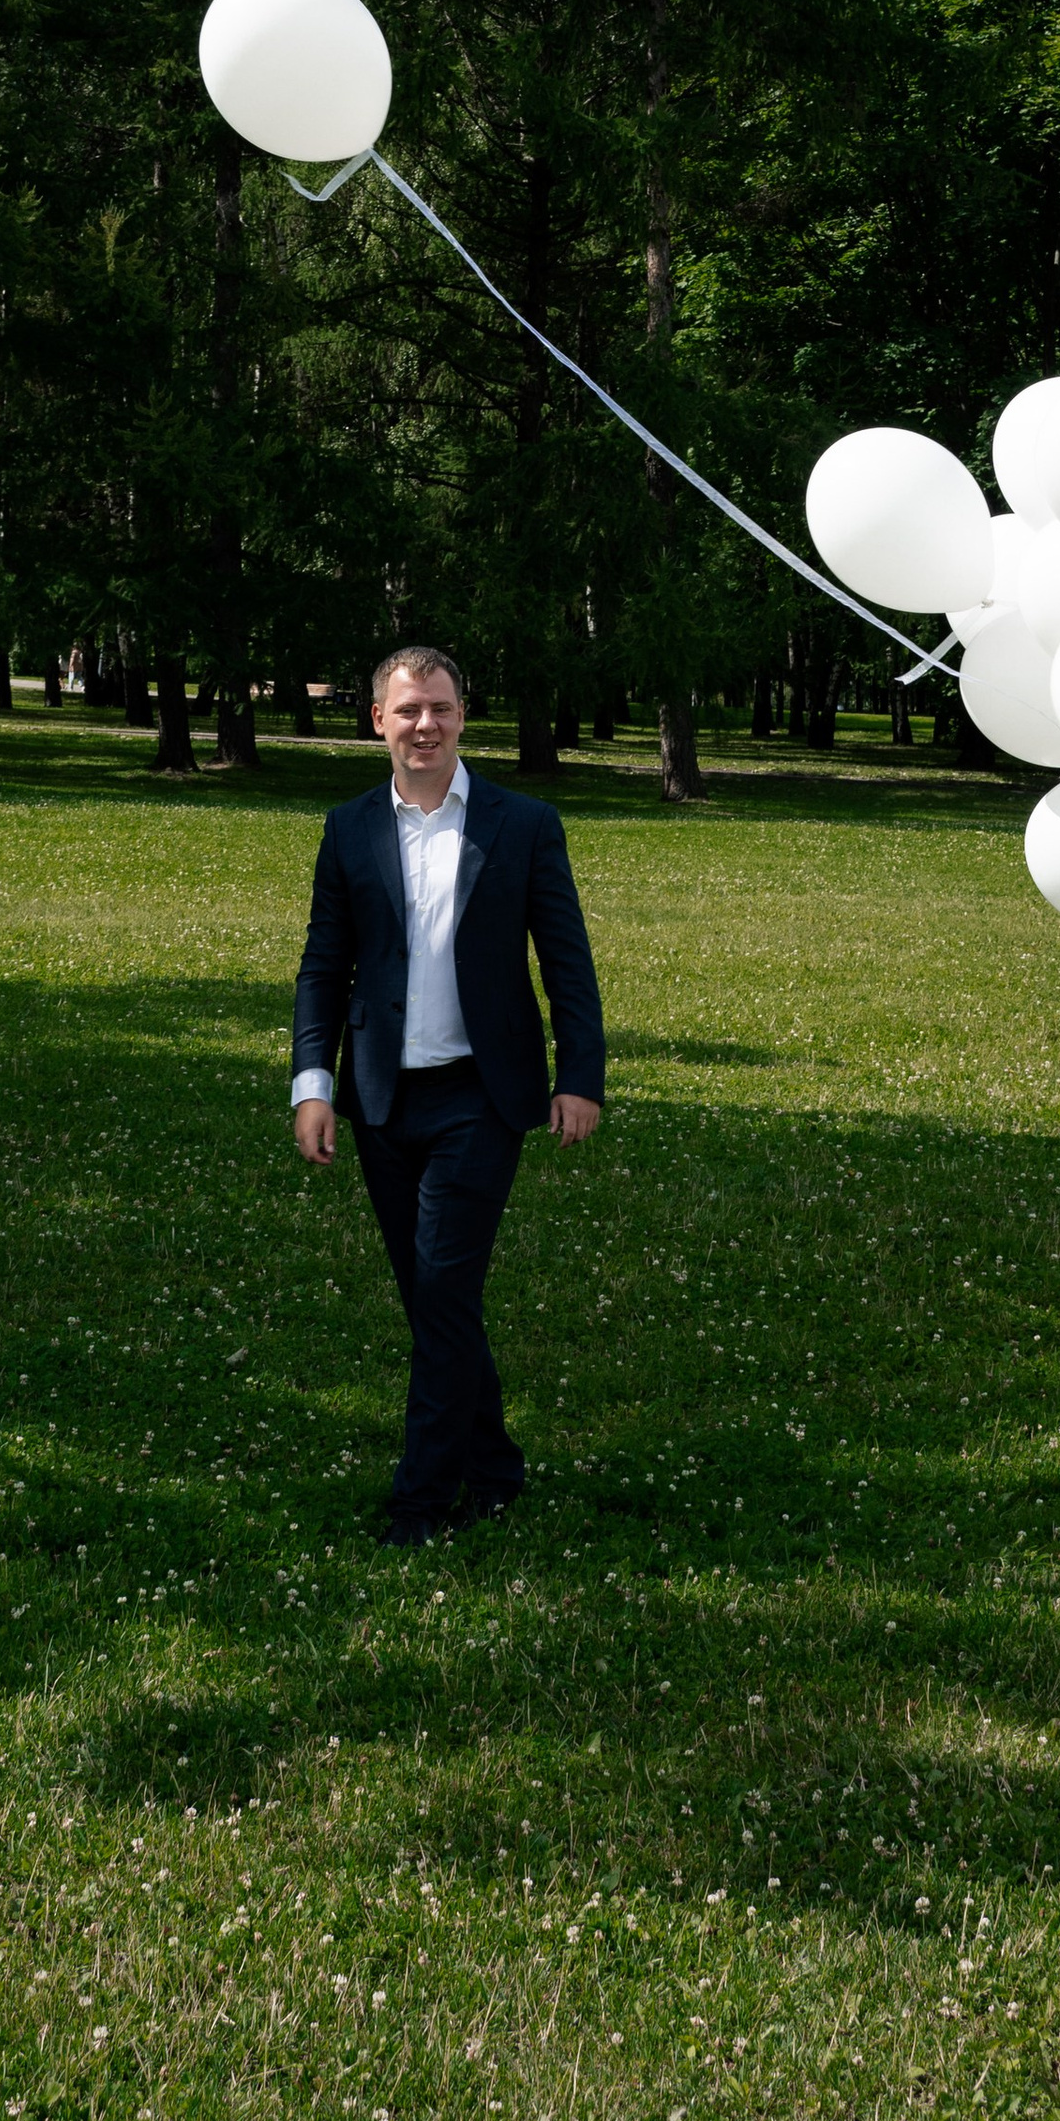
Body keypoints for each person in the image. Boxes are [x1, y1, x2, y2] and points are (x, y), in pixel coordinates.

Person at [291, 644, 605, 1545]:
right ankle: (497, 1470)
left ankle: (420, 1504)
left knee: (441, 1290)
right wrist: (313, 1083)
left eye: (440, 708)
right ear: (377, 722)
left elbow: (566, 958)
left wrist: (579, 1074)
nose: (423, 724)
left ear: (464, 715)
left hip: (483, 1098)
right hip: (383, 1099)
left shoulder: (523, 823)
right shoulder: (347, 828)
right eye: (406, 711)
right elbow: (324, 966)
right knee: (438, 1301)